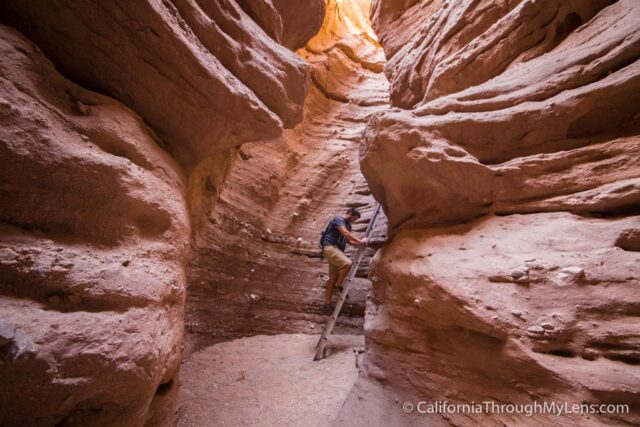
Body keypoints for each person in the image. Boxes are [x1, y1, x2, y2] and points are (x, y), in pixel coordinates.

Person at [320, 207, 368, 313]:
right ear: (349, 213)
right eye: (354, 219)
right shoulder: (338, 219)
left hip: (336, 250)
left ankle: (326, 305)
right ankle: (338, 287)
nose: (354, 221)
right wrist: (360, 240)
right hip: (330, 247)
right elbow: (345, 233)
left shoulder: (348, 225)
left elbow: (347, 241)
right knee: (347, 263)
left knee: (331, 279)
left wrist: (359, 244)